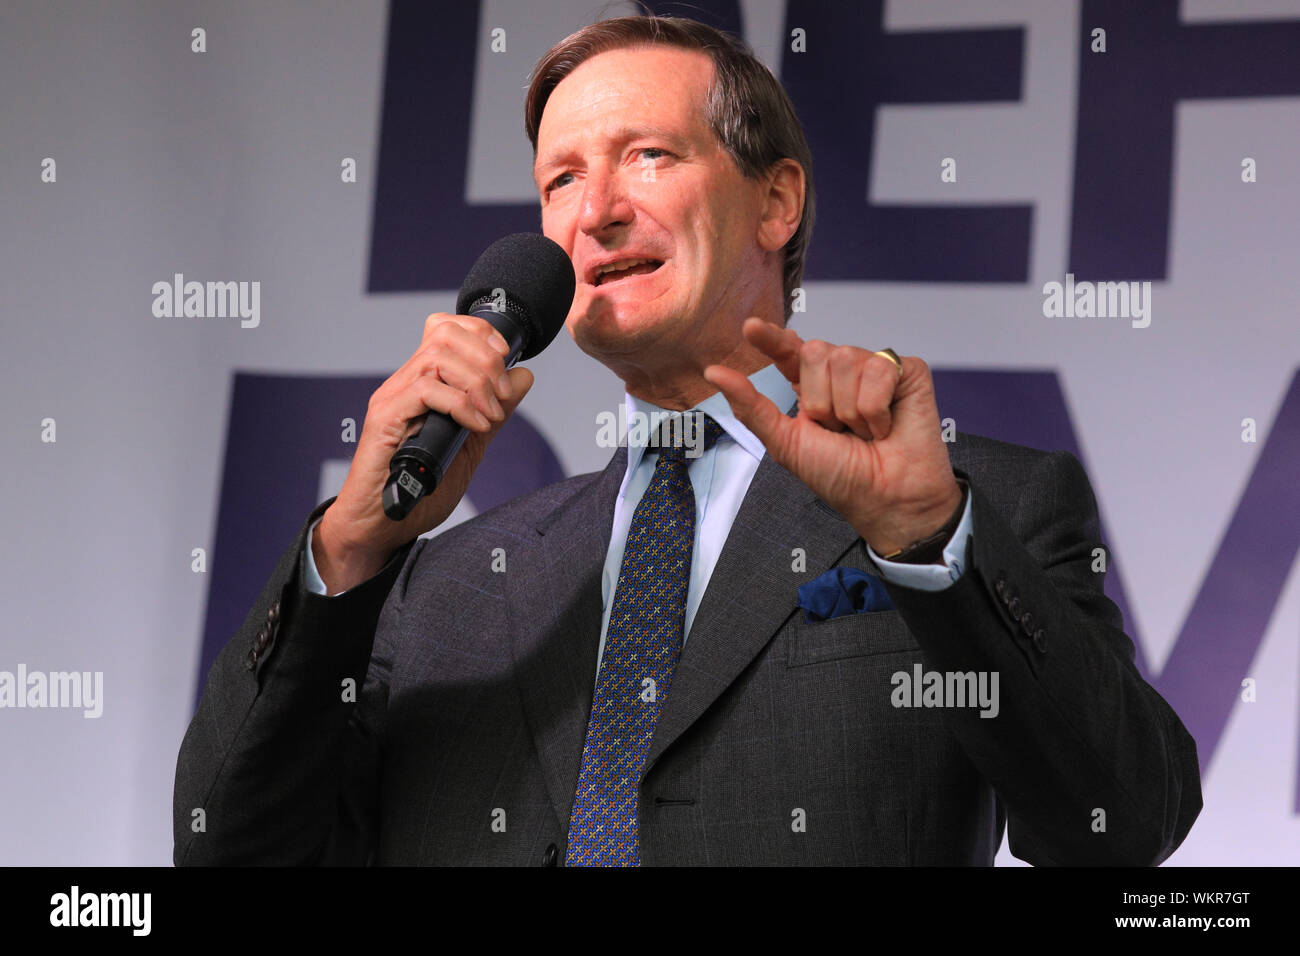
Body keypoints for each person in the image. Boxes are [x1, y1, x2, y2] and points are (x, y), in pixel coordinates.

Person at [174, 14, 1201, 866]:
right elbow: (228, 846)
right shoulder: (436, 586)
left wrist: (926, 538)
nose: (596, 213)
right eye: (561, 181)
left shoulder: (964, 512)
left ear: (776, 200)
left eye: (647, 156)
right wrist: (350, 545)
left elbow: (1124, 820)